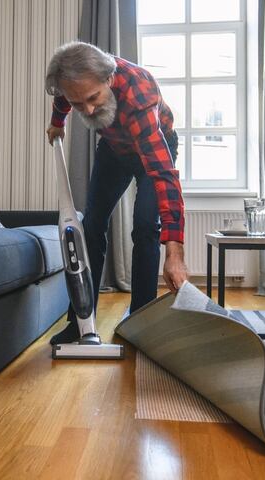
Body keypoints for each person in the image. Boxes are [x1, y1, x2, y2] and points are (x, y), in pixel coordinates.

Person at [45, 41, 188, 345]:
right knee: (92, 225)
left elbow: (163, 176)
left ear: (108, 79)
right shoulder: (71, 84)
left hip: (153, 148)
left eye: (93, 97)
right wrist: (57, 123)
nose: (89, 109)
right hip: (114, 150)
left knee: (146, 227)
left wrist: (175, 253)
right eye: (78, 103)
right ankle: (81, 322)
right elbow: (63, 98)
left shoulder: (139, 95)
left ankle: (141, 322)